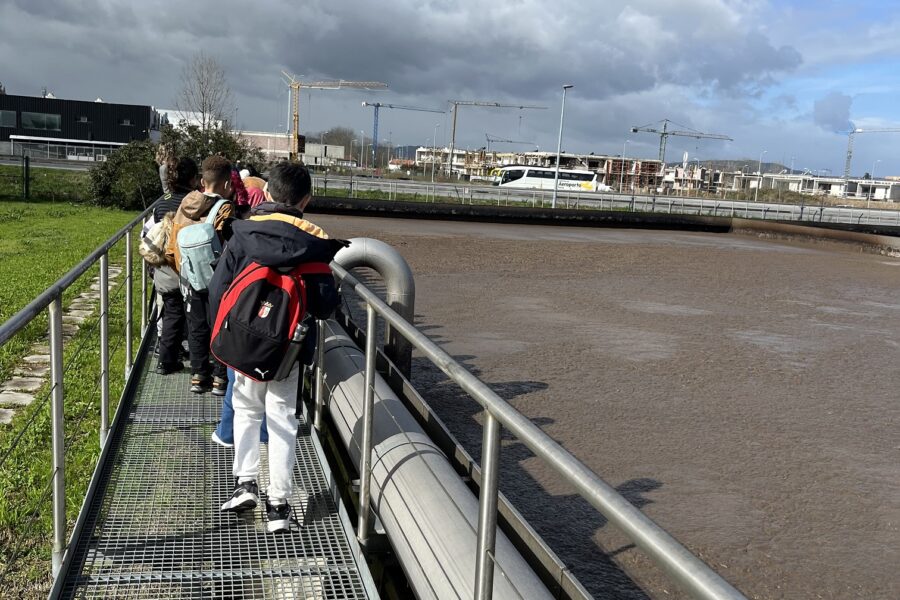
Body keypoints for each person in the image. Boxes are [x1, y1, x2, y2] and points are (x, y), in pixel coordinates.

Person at [209, 162, 345, 532]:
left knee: (246, 410)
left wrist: (219, 339)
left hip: (242, 343)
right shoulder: (314, 242)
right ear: (307, 200)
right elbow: (322, 305)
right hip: (288, 349)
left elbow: (219, 290)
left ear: (267, 194)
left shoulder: (242, 232)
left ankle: (245, 484)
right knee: (283, 420)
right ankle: (278, 505)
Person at [167, 155, 234, 395]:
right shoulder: (225, 207)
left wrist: (183, 270)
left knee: (195, 327)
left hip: (189, 277)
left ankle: (198, 375)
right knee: (219, 326)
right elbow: (229, 245)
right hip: (217, 280)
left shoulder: (185, 204)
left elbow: (172, 244)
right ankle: (219, 377)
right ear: (226, 184)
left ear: (202, 180)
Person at [153, 157, 200, 374]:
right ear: (193, 178)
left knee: (172, 314)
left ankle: (166, 361)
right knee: (196, 316)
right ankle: (200, 364)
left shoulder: (162, 201)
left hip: (165, 269)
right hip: (189, 268)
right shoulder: (196, 201)